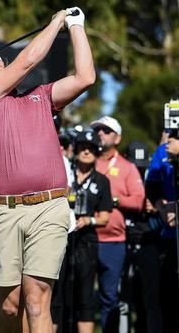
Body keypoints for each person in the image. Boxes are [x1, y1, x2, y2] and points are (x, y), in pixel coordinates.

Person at [0, 7, 95, 332]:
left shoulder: (40, 97)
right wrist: (54, 22)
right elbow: (27, 60)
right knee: (11, 304)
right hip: (6, 212)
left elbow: (85, 77)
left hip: (50, 207)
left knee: (36, 299)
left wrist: (75, 26)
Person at [51, 131, 111, 333]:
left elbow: (105, 216)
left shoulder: (102, 181)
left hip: (86, 242)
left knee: (85, 297)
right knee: (56, 294)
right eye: (83, 147)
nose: (86, 151)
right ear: (75, 150)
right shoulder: (64, 172)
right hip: (61, 239)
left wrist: (88, 220)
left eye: (91, 148)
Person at [89, 116, 145, 332]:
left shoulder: (127, 167)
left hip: (113, 242)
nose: (100, 133)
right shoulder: (85, 161)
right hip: (86, 238)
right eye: (98, 130)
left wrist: (113, 200)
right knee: (80, 297)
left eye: (106, 130)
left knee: (109, 299)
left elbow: (139, 200)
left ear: (118, 138)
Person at [143, 129, 179, 333]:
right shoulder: (164, 151)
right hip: (169, 234)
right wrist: (164, 209)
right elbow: (152, 185)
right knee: (167, 295)